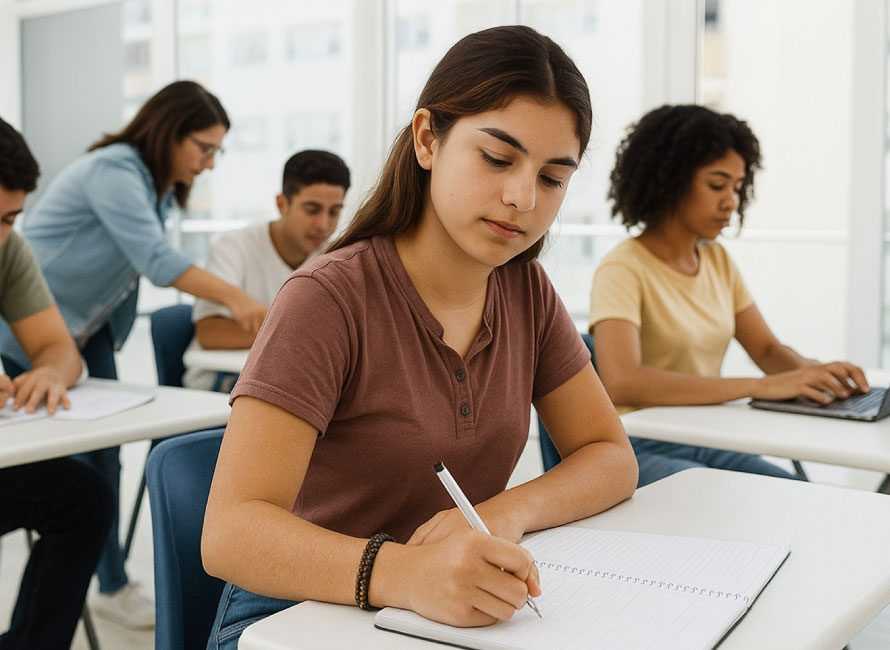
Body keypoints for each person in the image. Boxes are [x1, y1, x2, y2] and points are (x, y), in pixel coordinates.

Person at [200, 25, 638, 650]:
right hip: (292, 616)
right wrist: (406, 572)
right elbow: (229, 533)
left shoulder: (526, 291)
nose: (522, 198)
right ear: (428, 139)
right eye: (497, 158)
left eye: (552, 178)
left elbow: (611, 456)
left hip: (440, 616)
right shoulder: (327, 298)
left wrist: (503, 513)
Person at [0, 80, 267, 629]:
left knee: (99, 465)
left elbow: (63, 339)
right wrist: (238, 299)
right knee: (69, 464)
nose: (210, 162)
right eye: (204, 147)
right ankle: (109, 581)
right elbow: (155, 258)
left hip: (74, 328)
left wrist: (55, 363)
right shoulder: (114, 170)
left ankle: (109, 583)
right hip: (34, 326)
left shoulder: (155, 191)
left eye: (218, 151)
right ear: (169, 132)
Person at [590, 104, 869, 487]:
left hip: (703, 437)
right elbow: (622, 381)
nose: (731, 202)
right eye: (717, 185)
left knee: (797, 495)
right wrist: (757, 386)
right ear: (670, 180)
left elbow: (767, 350)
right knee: (731, 500)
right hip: (638, 444)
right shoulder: (622, 268)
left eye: (737, 187)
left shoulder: (717, 260)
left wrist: (816, 374)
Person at [0, 116, 115, 649]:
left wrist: (46, 370)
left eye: (9, 218)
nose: (0, 235)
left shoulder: (8, 250)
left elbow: (58, 348)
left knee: (84, 498)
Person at [184, 150, 351, 392]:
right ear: (282, 204)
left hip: (292, 382)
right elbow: (211, 332)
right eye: (312, 210)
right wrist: (301, 334)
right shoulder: (235, 247)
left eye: (334, 212)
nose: (323, 225)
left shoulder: (335, 256)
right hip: (221, 385)